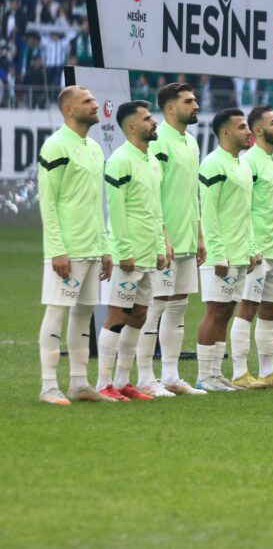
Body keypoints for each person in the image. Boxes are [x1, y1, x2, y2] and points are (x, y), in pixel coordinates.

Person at [36, 86, 114, 405]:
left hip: (92, 248)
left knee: (83, 316)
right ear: (69, 109)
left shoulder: (94, 148)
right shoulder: (56, 146)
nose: (95, 105)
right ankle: (48, 386)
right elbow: (48, 201)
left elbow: (97, 204)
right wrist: (57, 249)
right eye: (87, 101)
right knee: (57, 312)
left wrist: (105, 247)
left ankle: (79, 384)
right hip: (67, 249)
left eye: (94, 99)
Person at [96, 101, 170, 401]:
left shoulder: (151, 160)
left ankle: (123, 380)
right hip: (128, 255)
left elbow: (155, 209)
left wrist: (160, 247)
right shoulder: (120, 160)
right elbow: (115, 209)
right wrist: (124, 250)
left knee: (139, 315)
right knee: (117, 315)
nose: (154, 122)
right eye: (147, 118)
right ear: (131, 126)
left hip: (148, 255)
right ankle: (103, 383)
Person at [137, 82, 206, 397]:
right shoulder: (159, 141)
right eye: (188, 101)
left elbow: (192, 193)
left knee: (178, 307)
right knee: (155, 307)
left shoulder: (191, 142)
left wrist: (199, 235)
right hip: (166, 240)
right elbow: (153, 193)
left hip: (188, 239)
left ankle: (171, 376)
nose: (195, 105)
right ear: (169, 107)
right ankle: (144, 377)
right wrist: (162, 236)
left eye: (195, 100)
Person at [229, 106, 273, 388]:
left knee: (270, 309)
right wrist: (251, 246)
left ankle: (268, 371)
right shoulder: (249, 162)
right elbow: (243, 208)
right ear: (258, 130)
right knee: (247, 308)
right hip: (255, 252)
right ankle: (239, 372)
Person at [195, 108, 260, 391]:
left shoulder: (243, 165)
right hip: (220, 255)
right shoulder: (212, 164)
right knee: (214, 312)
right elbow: (208, 213)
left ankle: (215, 372)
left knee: (226, 313)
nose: (249, 132)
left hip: (239, 253)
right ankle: (203, 376)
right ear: (225, 132)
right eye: (242, 127)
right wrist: (217, 253)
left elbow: (246, 213)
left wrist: (251, 249)